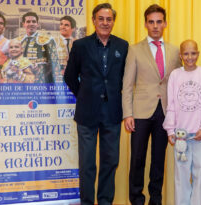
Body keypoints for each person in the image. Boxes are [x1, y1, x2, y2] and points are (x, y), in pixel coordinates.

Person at [64, 3, 129, 205]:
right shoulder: (80, 45)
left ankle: (105, 201)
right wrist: (84, 94)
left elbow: (125, 79)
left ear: (113, 22)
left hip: (112, 112)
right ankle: (86, 201)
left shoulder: (123, 46)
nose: (105, 23)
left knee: (110, 162)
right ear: (93, 20)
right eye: (101, 18)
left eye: (109, 19)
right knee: (87, 164)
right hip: (87, 113)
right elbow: (69, 76)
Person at [122, 4, 182, 205]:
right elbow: (127, 85)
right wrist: (127, 113)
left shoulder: (175, 51)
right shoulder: (134, 49)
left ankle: (156, 200)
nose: (155, 26)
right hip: (140, 112)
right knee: (137, 159)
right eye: (151, 22)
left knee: (158, 160)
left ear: (165, 23)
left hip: (165, 113)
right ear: (146, 24)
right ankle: (136, 200)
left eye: (159, 22)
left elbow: (179, 84)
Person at [163, 40, 201, 205]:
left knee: (200, 173)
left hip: (199, 134)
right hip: (181, 136)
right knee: (182, 174)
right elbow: (171, 104)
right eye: (186, 53)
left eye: (193, 53)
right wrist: (170, 130)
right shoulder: (175, 75)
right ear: (180, 55)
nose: (190, 57)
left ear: (198, 54)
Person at [16, 12, 58, 83]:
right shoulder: (17, 41)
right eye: (28, 21)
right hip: (22, 80)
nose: (31, 24)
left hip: (42, 80)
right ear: (23, 24)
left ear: (37, 24)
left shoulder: (47, 40)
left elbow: (54, 62)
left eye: (34, 22)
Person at [54, 15, 76, 82]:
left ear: (73, 28)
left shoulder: (77, 43)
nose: (63, 27)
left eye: (66, 25)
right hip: (57, 77)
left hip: (74, 77)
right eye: (61, 24)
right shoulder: (52, 41)